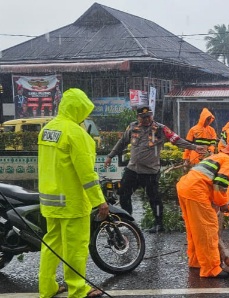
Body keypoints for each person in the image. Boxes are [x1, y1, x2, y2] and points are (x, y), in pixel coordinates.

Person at [38, 88, 109, 298]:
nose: (86, 116)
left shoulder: (47, 129)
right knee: (76, 248)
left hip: (50, 200)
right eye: (84, 111)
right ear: (77, 109)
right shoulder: (77, 134)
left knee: (51, 245)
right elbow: (86, 174)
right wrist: (99, 201)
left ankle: (47, 288)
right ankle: (78, 290)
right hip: (72, 201)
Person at [104, 105, 207, 233]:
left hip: (150, 172)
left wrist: (194, 147)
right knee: (123, 194)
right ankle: (127, 221)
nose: (147, 119)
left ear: (152, 115)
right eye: (144, 117)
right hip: (133, 169)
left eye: (149, 116)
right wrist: (110, 156)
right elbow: (122, 142)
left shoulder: (161, 129)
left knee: (154, 198)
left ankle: (159, 224)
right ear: (138, 117)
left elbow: (176, 140)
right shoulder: (132, 127)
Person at [176, 142, 229, 278]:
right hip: (196, 191)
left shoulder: (215, 157)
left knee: (194, 229)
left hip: (184, 187)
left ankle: (196, 261)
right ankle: (211, 269)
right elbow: (219, 184)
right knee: (207, 229)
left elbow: (210, 181)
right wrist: (223, 203)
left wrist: (218, 201)